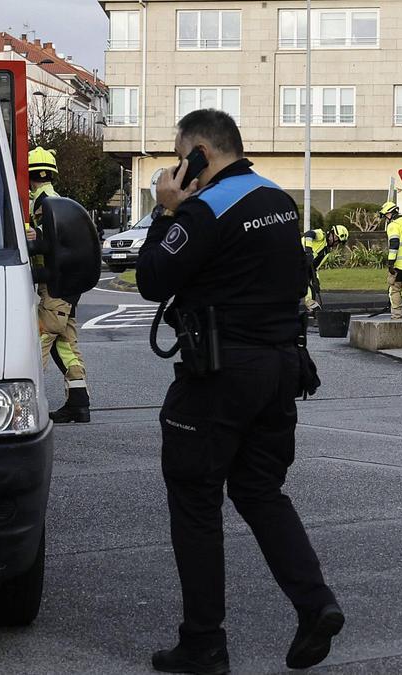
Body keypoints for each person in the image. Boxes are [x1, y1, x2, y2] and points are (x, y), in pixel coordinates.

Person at [136, 109, 343, 675]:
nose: (179, 169)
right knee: (260, 491)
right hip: (280, 370)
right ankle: (315, 604)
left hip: (220, 376)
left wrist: (165, 208)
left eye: (183, 158)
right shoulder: (277, 200)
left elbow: (152, 277)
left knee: (196, 498)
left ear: (201, 151)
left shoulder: (205, 209)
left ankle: (203, 642)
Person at [26, 146, 91, 423]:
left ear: (29, 176)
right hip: (65, 288)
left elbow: (45, 244)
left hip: (55, 290)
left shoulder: (45, 205)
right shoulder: (56, 201)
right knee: (66, 345)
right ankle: (79, 402)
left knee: (36, 342)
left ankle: (24, 406)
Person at [302, 224, 350, 312]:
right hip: (295, 257)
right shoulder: (321, 235)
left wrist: (316, 279)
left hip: (304, 267)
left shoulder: (326, 253)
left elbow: (315, 268)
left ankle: (312, 307)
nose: (336, 244)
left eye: (339, 242)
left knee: (311, 286)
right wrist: (308, 250)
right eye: (337, 241)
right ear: (333, 234)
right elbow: (308, 234)